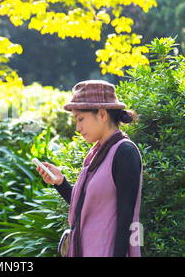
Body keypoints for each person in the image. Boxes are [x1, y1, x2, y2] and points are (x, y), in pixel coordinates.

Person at [35, 80, 143, 257]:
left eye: (80, 119)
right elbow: (86, 209)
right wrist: (60, 183)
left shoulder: (124, 152)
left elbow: (126, 220)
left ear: (101, 114)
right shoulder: (97, 154)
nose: (78, 128)